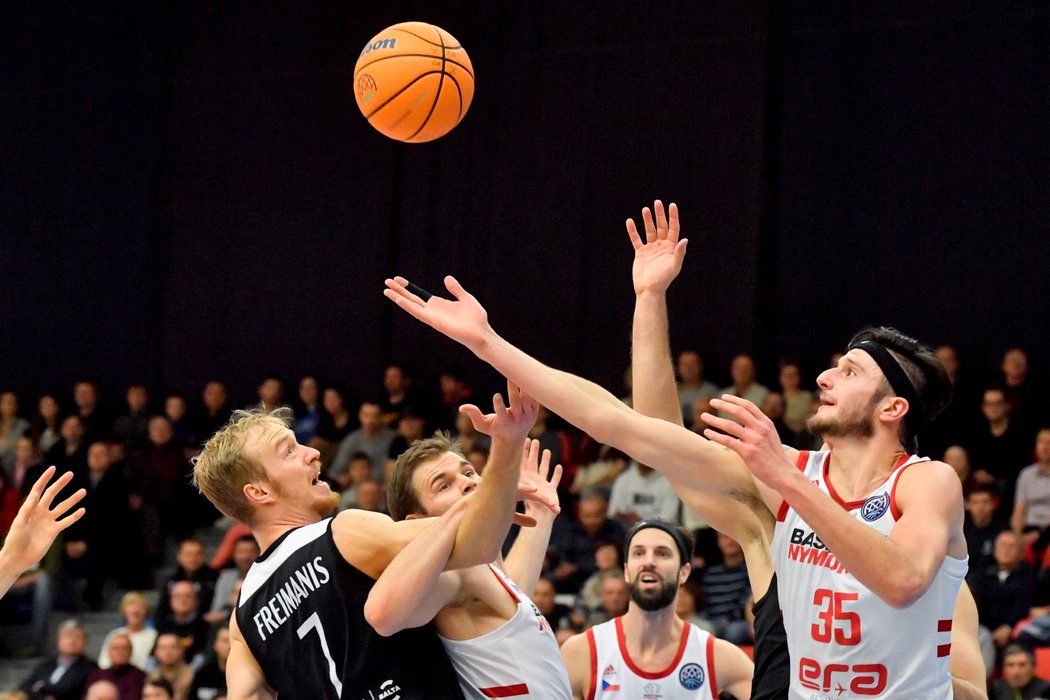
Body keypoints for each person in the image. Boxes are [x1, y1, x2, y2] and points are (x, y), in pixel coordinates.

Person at [383, 199, 986, 698]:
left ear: (892, 408)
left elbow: (904, 581)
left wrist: (789, 480)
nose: (825, 379)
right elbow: (623, 424)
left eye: (849, 372)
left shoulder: (925, 483)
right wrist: (488, 343)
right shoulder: (784, 483)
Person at [191, 383, 544, 699]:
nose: (312, 452)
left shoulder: (244, 617)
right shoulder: (344, 534)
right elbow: (478, 547)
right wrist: (504, 459)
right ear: (259, 491)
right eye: (288, 451)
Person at [365, 436, 571, 698]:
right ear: (418, 521)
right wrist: (462, 511)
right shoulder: (452, 576)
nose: (467, 483)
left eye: (468, 472)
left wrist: (541, 514)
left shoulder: (484, 573)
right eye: (444, 486)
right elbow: (382, 617)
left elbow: (515, 591)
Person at [561, 520, 753, 699]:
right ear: (627, 571)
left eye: (662, 553)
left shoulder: (716, 655)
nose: (649, 562)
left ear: (684, 572)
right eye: (639, 553)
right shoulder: (582, 651)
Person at [0, 467, 85, 599]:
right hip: (14, 582)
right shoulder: (8, 533)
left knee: (45, 581)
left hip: (30, 581)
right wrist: (12, 562)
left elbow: (51, 569)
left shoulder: (42, 534)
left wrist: (13, 562)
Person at [19, 619, 97, 700]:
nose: (72, 641)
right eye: (68, 636)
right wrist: (43, 698)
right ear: (59, 640)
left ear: (84, 643)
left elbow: (68, 690)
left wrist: (41, 687)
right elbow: (24, 687)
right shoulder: (46, 664)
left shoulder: (90, 667)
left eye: (77, 637)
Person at [85, 633, 146, 700]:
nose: (120, 652)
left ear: (131, 652)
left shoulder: (140, 677)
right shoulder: (96, 675)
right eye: (115, 648)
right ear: (109, 652)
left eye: (125, 648)